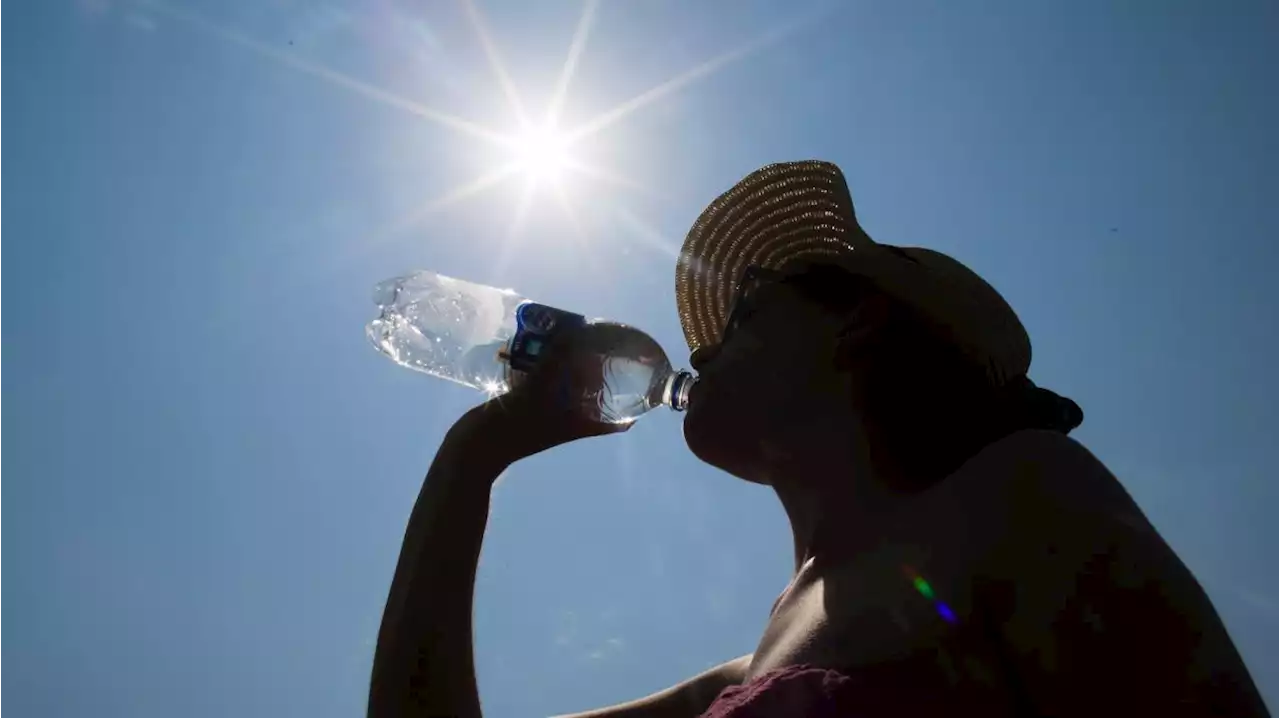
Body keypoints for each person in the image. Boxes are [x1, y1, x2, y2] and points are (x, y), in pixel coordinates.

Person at [367, 161, 1270, 717]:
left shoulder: (1022, 494)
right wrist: (475, 455)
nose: (705, 348)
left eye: (751, 306)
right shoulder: (735, 680)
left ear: (860, 327)